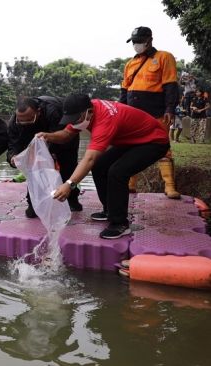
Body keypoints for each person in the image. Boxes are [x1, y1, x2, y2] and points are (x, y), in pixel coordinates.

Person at [38, 94, 169, 239]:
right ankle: (109, 210)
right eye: (71, 120)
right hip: (132, 140)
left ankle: (119, 223)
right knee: (100, 166)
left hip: (154, 141)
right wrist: (48, 136)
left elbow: (89, 158)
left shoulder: (105, 120)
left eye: (77, 119)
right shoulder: (83, 111)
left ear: (89, 112)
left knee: (117, 172)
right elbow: (66, 134)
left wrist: (69, 184)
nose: (74, 123)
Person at [120, 26, 181, 199]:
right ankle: (130, 184)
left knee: (163, 148)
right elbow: (124, 90)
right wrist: (120, 112)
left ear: (149, 40)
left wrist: (170, 108)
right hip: (133, 113)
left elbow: (170, 85)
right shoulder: (130, 63)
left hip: (156, 112)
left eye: (139, 42)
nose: (136, 45)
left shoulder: (164, 57)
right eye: (134, 42)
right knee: (130, 147)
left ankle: (169, 186)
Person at [7, 96, 82, 218]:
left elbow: (63, 136)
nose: (24, 123)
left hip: (62, 136)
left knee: (67, 167)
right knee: (34, 170)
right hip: (35, 140)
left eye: (29, 120)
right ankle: (33, 202)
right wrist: (13, 157)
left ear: (39, 111)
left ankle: (72, 198)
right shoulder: (15, 122)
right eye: (21, 121)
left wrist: (49, 154)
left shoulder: (53, 111)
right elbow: (13, 144)